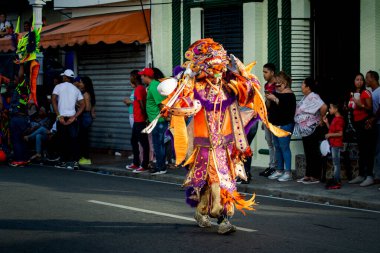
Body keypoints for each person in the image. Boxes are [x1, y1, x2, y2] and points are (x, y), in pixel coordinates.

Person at [150, 38, 289, 234]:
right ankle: (204, 212)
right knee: (206, 183)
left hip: (225, 147)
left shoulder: (229, 87)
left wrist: (241, 72)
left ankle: (223, 218)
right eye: (213, 68)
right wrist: (179, 97)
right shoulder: (194, 88)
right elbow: (178, 107)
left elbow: (251, 92)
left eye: (219, 68)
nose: (217, 73)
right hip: (203, 148)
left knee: (225, 182)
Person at [294, 77, 328, 184]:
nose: (301, 86)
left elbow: (324, 107)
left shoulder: (313, 96)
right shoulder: (306, 97)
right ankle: (308, 175)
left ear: (308, 87)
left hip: (312, 128)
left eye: (303, 84)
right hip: (305, 130)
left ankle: (315, 175)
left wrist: (321, 119)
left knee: (313, 152)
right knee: (308, 152)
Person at [51, 69, 85, 170]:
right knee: (74, 140)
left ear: (65, 77)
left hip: (62, 118)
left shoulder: (58, 86)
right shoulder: (76, 89)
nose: (62, 78)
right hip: (72, 119)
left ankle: (63, 161)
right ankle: (75, 162)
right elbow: (83, 104)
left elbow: (53, 100)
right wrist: (75, 116)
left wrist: (58, 115)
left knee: (62, 140)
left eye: (63, 76)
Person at [266, 71, 296, 182]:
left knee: (284, 147)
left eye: (279, 83)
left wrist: (274, 99)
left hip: (285, 125)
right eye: (276, 83)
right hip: (275, 124)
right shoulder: (276, 93)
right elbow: (270, 107)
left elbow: (285, 109)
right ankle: (279, 170)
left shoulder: (290, 95)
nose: (277, 85)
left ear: (285, 83)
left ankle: (288, 172)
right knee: (277, 147)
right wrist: (269, 99)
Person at [347, 73, 375, 186]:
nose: (359, 82)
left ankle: (369, 176)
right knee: (361, 150)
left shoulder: (365, 93)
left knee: (368, 150)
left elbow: (370, 108)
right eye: (357, 79)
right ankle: (361, 174)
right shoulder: (353, 94)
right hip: (357, 124)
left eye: (361, 80)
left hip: (365, 123)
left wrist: (360, 105)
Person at [142, 67, 168, 175]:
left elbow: (161, 104)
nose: (141, 78)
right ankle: (160, 166)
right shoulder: (152, 86)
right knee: (158, 144)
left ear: (147, 77)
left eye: (142, 76)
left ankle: (161, 167)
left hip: (159, 121)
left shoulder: (154, 87)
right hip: (155, 121)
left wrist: (165, 117)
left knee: (158, 144)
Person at [126, 70, 150, 173]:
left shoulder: (139, 89)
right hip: (137, 119)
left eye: (130, 77)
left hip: (140, 120)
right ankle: (136, 162)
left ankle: (144, 164)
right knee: (134, 140)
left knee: (144, 143)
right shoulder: (138, 89)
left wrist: (145, 117)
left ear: (134, 78)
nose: (129, 79)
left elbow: (141, 104)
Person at [260, 63, 277, 177]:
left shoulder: (277, 85)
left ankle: (276, 167)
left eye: (266, 72)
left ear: (272, 72)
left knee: (276, 144)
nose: (264, 74)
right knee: (269, 143)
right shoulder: (266, 85)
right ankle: (271, 165)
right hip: (267, 118)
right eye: (263, 72)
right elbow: (266, 103)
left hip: (275, 118)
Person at [323, 103, 345, 189]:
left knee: (336, 164)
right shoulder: (335, 119)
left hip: (336, 144)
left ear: (336, 109)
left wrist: (329, 135)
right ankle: (336, 180)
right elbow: (332, 130)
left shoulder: (339, 119)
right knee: (335, 163)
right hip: (333, 143)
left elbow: (340, 133)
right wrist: (327, 123)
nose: (329, 110)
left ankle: (337, 181)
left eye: (331, 108)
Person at [76, 76, 96, 165]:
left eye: (81, 82)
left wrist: (77, 105)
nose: (79, 84)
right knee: (83, 138)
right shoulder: (84, 93)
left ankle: (86, 158)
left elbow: (87, 108)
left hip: (85, 117)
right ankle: (84, 157)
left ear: (85, 84)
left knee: (83, 138)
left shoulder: (86, 94)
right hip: (86, 117)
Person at [366, 71, 380, 188]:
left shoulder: (379, 92)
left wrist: (373, 119)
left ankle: (377, 176)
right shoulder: (372, 92)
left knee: (378, 151)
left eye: (367, 78)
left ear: (373, 79)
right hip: (376, 123)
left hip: (379, 123)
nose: (366, 80)